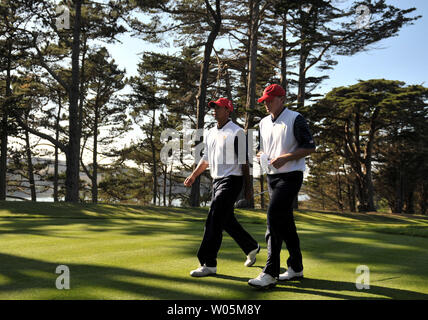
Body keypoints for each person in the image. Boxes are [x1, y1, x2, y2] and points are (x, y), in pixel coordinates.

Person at [248, 84, 316, 289]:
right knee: (286, 224)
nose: (266, 104)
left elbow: (310, 146)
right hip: (272, 177)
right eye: (264, 101)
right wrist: (260, 154)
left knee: (273, 218)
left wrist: (286, 157)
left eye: (270, 100)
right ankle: (295, 267)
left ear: (282, 99)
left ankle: (270, 272)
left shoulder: (295, 118)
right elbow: (261, 148)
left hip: (291, 176)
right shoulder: (263, 122)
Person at [184, 97, 260, 277]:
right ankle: (251, 246)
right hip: (217, 181)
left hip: (232, 180)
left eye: (218, 108)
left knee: (214, 215)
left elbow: (244, 162)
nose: (214, 110)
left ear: (228, 110)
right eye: (213, 108)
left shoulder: (237, 132)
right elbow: (206, 159)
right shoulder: (210, 133)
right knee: (225, 219)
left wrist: (248, 189)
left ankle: (208, 262)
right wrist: (194, 175)